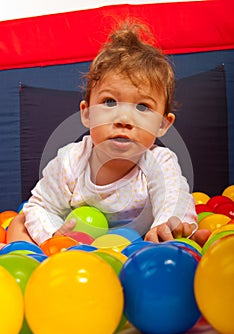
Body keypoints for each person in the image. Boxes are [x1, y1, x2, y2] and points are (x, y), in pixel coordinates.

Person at [7, 20, 210, 247]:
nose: (123, 119)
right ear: (87, 113)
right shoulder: (71, 161)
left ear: (162, 124)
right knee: (20, 222)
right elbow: (42, 205)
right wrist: (55, 236)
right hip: (79, 246)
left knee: (183, 229)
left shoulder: (159, 162)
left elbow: (175, 198)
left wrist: (165, 226)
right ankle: (30, 257)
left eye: (142, 107)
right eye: (109, 102)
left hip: (140, 245)